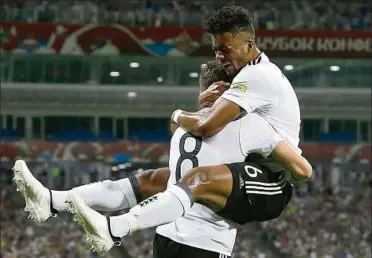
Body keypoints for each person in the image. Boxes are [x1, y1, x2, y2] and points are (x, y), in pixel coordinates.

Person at [65, 5, 312, 256]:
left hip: (272, 182)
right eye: (216, 50)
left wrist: (178, 114)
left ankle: (115, 227)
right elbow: (200, 132)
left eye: (225, 49)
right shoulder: (247, 78)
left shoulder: (256, 77)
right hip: (244, 176)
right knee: (163, 178)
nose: (219, 56)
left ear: (248, 46)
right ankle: (57, 201)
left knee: (197, 180)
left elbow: (207, 127)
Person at [13, 60, 311, 257]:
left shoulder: (182, 126)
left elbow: (195, 129)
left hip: (165, 238)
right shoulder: (249, 125)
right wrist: (268, 169)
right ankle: (112, 228)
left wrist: (182, 114)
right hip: (206, 244)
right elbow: (301, 169)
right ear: (229, 91)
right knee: (176, 181)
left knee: (149, 180)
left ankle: (53, 200)